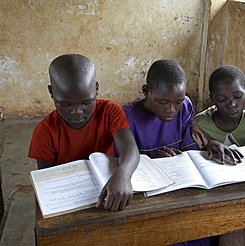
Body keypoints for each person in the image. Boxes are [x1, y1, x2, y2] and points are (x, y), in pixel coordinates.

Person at [121, 59, 217, 246]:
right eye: (163, 102)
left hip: (180, 187)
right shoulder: (127, 118)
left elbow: (189, 152)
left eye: (178, 102)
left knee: (206, 229)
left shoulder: (185, 106)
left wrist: (209, 145)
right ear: (146, 91)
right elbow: (121, 163)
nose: (171, 110)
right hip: (147, 197)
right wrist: (152, 162)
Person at [28, 54, 140, 212]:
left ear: (96, 89)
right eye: (65, 104)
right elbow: (47, 181)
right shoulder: (45, 131)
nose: (76, 111)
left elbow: (129, 147)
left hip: (110, 187)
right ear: (51, 92)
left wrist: (123, 174)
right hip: (70, 199)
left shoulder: (110, 112)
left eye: (86, 102)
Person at [193, 65, 245, 246]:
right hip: (213, 191)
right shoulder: (200, 124)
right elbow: (193, 158)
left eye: (237, 97)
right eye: (222, 99)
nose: (231, 104)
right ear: (212, 99)